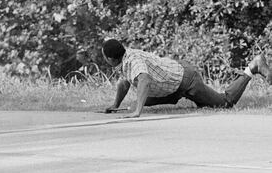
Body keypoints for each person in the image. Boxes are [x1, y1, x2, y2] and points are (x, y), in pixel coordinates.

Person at [101, 38, 271, 118]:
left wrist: (137, 113)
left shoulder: (133, 60)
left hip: (186, 81)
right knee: (141, 100)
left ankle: (253, 66)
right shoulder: (124, 59)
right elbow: (124, 82)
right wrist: (116, 105)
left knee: (224, 102)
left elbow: (144, 80)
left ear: (110, 59)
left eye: (103, 56)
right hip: (174, 76)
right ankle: (191, 98)